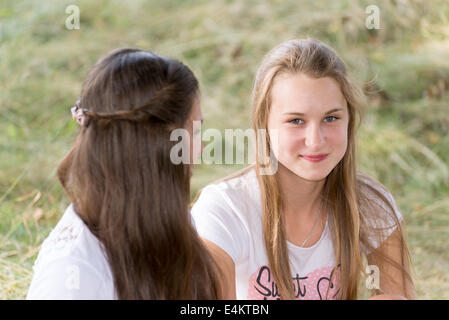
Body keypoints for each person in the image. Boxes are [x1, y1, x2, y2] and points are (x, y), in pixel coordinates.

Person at [191, 38, 416, 300]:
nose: (315, 140)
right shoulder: (225, 209)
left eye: (330, 118)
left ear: (349, 120)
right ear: (264, 123)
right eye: (296, 121)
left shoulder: (370, 203)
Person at [27, 48, 221, 299]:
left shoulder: (168, 220)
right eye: (193, 134)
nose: (201, 150)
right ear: (155, 150)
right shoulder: (72, 276)